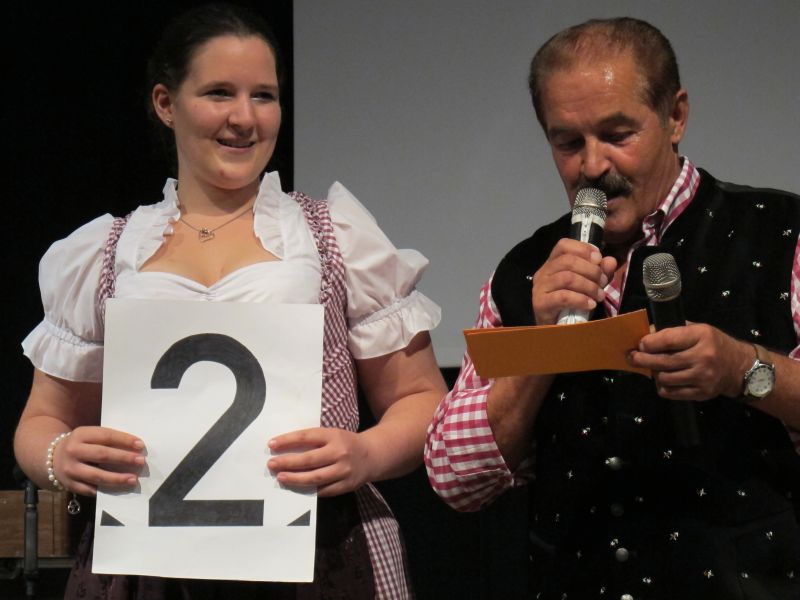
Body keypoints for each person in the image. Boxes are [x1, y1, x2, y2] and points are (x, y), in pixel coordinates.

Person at [14, 4, 446, 599]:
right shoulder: (106, 252)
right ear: (166, 103)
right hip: (148, 565)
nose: (244, 118)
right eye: (220, 92)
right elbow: (42, 420)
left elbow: (420, 397)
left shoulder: (333, 237)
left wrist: (367, 453)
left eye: (264, 96)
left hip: (317, 555)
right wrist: (61, 455)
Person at [426, 16, 800, 600]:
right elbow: (456, 479)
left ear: (676, 116)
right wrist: (542, 344)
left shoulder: (780, 233)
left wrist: (740, 369)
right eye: (567, 143)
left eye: (617, 134)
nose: (593, 166)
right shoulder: (523, 272)